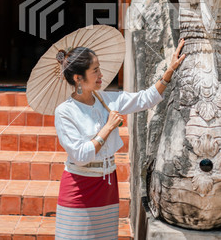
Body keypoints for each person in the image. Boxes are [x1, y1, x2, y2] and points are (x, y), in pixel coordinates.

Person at [54, 38, 185, 240]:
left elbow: (146, 98)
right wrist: (107, 128)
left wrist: (170, 70)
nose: (101, 75)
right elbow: (81, 155)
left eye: (99, 68)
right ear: (79, 78)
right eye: (95, 70)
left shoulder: (106, 100)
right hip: (79, 187)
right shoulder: (65, 112)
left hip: (106, 185)